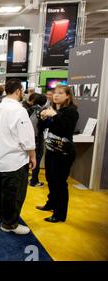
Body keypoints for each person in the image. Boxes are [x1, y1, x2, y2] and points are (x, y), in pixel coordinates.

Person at [0, 79, 36, 235]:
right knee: (13, 194)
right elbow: (27, 138)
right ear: (18, 91)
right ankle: (9, 224)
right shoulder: (19, 111)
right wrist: (32, 155)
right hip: (13, 160)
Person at [37, 86, 79, 223]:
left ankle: (60, 214)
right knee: (51, 179)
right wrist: (43, 118)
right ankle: (51, 203)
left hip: (64, 153)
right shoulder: (55, 110)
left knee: (60, 183)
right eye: (55, 93)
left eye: (60, 93)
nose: (56, 95)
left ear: (68, 96)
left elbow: (66, 128)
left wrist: (54, 115)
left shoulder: (71, 111)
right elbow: (43, 128)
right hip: (51, 150)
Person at [29, 94, 48, 187]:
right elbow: (44, 125)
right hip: (37, 137)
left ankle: (28, 179)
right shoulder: (42, 111)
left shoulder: (29, 109)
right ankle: (34, 181)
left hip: (28, 137)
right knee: (37, 158)